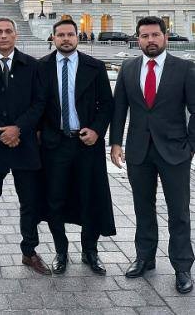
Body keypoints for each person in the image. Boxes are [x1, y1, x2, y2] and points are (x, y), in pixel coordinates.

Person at [110, 16, 195, 294]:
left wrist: (190, 146)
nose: (150, 40)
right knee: (142, 208)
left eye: (155, 35)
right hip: (138, 151)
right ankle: (145, 257)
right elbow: (119, 108)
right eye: (145, 36)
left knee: (179, 212)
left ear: (165, 37)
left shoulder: (184, 68)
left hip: (175, 152)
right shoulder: (128, 67)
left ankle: (182, 266)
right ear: (138, 39)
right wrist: (115, 143)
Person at [0, 18, 50, 277]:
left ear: (16, 35)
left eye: (8, 31)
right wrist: (0, 131)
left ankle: (29, 251)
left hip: (24, 143)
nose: (3, 36)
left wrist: (19, 129)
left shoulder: (33, 65)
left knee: (29, 201)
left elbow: (40, 103)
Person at [38, 18, 116, 275]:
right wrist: (40, 133)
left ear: (78, 37)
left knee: (90, 197)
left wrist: (96, 130)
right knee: (54, 199)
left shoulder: (94, 66)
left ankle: (90, 251)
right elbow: (36, 105)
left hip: (86, 143)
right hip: (55, 143)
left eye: (70, 34)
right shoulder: (42, 67)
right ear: (53, 38)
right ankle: (61, 251)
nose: (66, 39)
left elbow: (107, 104)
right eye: (60, 35)